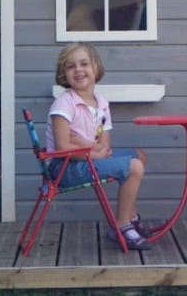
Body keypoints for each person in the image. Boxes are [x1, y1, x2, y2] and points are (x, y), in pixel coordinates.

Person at [46, 42, 151, 250]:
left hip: (87, 159)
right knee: (134, 167)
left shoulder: (101, 103)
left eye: (84, 64)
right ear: (63, 73)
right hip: (64, 168)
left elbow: (105, 143)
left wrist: (86, 145)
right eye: (70, 66)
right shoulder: (64, 104)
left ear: (95, 68)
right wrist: (93, 152)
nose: (78, 70)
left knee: (138, 155)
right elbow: (62, 147)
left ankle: (129, 216)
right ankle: (121, 226)